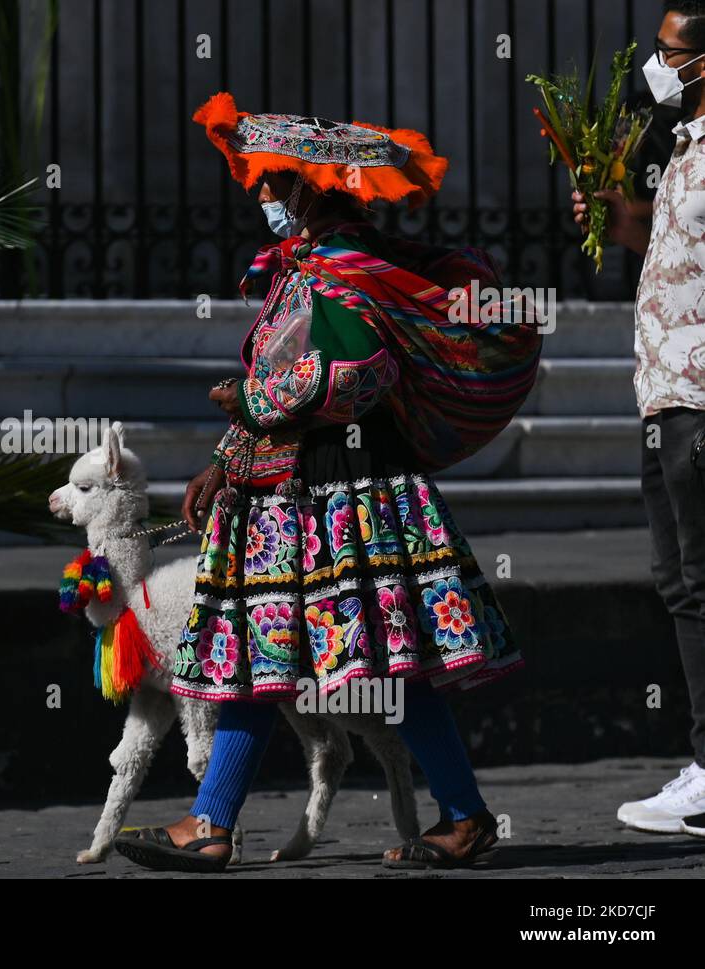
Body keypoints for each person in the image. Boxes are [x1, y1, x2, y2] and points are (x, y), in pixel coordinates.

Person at [114, 102, 535, 873]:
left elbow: (355, 376)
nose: (264, 198)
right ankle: (214, 821)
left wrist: (253, 405)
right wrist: (228, 456)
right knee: (260, 649)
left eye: (271, 184)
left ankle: (465, 815)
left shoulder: (342, 273)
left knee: (376, 663)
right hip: (291, 490)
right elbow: (283, 374)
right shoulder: (306, 270)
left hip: (349, 492)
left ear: (305, 190)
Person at [573, 1, 705, 838]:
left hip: (700, 398)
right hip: (659, 393)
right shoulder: (684, 146)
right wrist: (621, 223)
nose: (655, 64)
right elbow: (677, 249)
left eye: (670, 52)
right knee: (680, 583)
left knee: (702, 580)